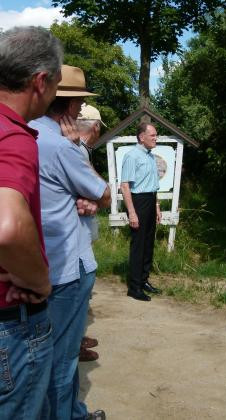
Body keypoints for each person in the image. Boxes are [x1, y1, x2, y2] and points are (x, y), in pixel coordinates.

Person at [30, 65, 110, 420]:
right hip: (68, 267)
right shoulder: (62, 146)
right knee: (61, 359)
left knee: (40, 353)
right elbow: (104, 194)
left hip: (32, 262)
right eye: (79, 102)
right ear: (69, 103)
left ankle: (73, 413)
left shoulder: (24, 134)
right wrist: (78, 150)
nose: (79, 110)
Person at [0, 26, 62, 418]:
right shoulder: (14, 137)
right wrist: (38, 279)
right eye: (56, 84)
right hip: (10, 326)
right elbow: (6, 226)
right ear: (40, 82)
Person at [76, 104, 107, 362]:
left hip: (80, 232)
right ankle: (73, 341)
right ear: (95, 128)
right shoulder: (77, 151)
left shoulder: (79, 149)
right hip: (75, 236)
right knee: (79, 287)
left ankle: (75, 337)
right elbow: (101, 192)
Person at [121, 123, 162, 301]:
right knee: (138, 245)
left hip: (150, 200)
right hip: (138, 202)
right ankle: (134, 287)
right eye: (152, 135)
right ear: (141, 137)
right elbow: (125, 186)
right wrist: (132, 212)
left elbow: (153, 185)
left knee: (148, 244)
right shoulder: (132, 156)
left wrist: (157, 206)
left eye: (156, 135)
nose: (155, 138)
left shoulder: (151, 157)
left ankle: (144, 280)